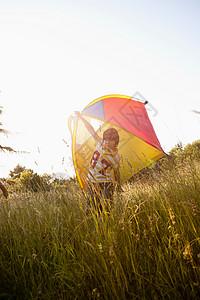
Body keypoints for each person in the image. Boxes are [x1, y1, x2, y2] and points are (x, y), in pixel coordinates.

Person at [75, 111, 120, 213]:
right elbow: (91, 130)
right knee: (91, 208)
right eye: (105, 139)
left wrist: (118, 185)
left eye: (110, 140)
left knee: (107, 208)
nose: (107, 142)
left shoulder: (116, 157)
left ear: (116, 142)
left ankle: (106, 225)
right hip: (92, 181)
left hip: (106, 183)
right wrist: (81, 117)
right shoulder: (100, 143)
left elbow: (117, 171)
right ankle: (94, 225)